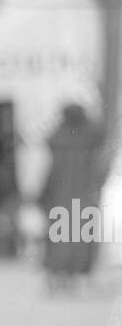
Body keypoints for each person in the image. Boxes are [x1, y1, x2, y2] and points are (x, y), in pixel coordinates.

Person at [39, 104, 105, 291]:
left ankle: (60, 275)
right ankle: (75, 275)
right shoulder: (90, 136)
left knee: (60, 236)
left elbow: (51, 170)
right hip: (82, 197)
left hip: (61, 196)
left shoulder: (59, 137)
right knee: (80, 235)